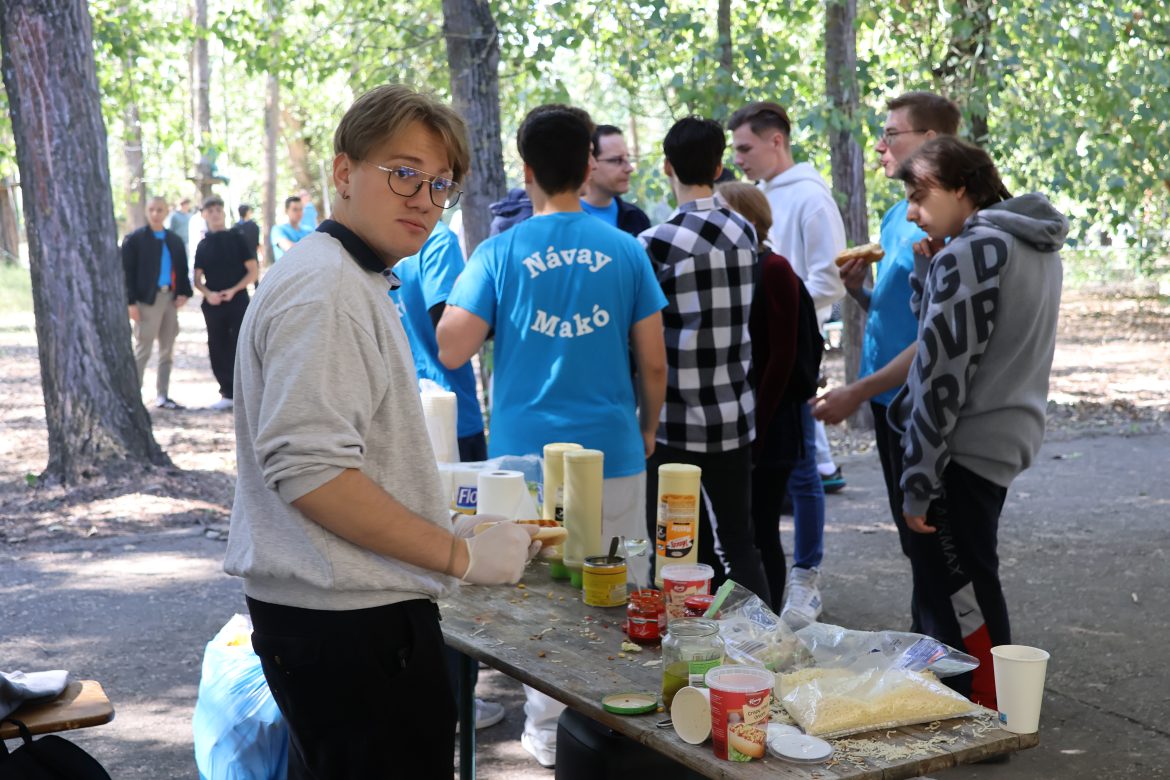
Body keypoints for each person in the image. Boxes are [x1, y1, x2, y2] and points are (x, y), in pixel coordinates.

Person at [223, 84, 541, 780]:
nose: (424, 200)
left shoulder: (352, 277)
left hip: (343, 621)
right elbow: (313, 474)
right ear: (342, 172)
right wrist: (459, 557)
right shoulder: (326, 289)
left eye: (439, 185)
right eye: (403, 173)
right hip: (350, 628)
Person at [437, 104, 667, 768]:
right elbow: (652, 359)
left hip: (524, 456)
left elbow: (453, 348)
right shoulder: (626, 249)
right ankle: (621, 718)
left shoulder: (499, 252)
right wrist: (648, 427)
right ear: (588, 164)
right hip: (614, 449)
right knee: (619, 579)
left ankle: (547, 727)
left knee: (539, 590)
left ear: (528, 170)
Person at [890, 136, 1066, 709]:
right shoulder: (1032, 244)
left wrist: (917, 480)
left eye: (920, 195)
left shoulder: (972, 251)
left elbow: (943, 375)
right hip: (1007, 434)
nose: (912, 211)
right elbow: (964, 339)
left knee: (963, 591)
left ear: (962, 188)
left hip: (960, 449)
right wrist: (927, 274)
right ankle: (978, 705)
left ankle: (990, 713)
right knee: (967, 579)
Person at [813, 93, 960, 629]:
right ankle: (929, 639)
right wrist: (859, 292)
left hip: (920, 397)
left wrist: (853, 391)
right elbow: (905, 310)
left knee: (933, 536)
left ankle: (947, 654)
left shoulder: (946, 220)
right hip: (885, 398)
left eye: (891, 133)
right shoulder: (901, 212)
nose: (879, 145)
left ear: (929, 140)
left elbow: (938, 335)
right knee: (910, 533)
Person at [637, 116, 769, 603]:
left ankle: (689, 647)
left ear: (667, 166)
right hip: (734, 414)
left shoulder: (655, 243)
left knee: (678, 547)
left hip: (674, 422)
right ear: (718, 166)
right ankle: (761, 645)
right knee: (740, 540)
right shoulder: (744, 232)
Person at [728, 101, 846, 626]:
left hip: (792, 362)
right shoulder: (762, 197)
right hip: (765, 365)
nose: (741, 158)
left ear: (777, 140)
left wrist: (787, 309)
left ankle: (806, 575)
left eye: (746, 148)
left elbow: (829, 278)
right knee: (783, 480)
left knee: (802, 472)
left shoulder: (812, 198)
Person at [715, 180, 808, 612]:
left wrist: (758, 425)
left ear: (747, 217)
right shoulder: (735, 266)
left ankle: (769, 622)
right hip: (745, 422)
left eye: (724, 211)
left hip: (769, 424)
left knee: (763, 529)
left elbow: (783, 355)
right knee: (742, 529)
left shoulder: (774, 268)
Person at [122, 195, 192, 410]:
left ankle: (163, 395)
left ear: (166, 211)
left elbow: (181, 268)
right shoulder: (135, 240)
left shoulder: (174, 240)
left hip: (169, 299)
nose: (155, 214)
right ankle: (134, 396)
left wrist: (183, 293)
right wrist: (130, 302)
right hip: (146, 301)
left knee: (167, 349)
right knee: (143, 348)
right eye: (152, 209)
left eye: (160, 209)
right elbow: (127, 273)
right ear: (146, 211)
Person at [192, 196, 258, 411]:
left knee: (241, 344)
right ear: (204, 214)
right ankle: (226, 392)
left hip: (237, 300)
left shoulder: (238, 238)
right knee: (217, 345)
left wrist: (233, 290)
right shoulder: (203, 244)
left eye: (218, 209)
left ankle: (245, 391)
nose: (215, 213)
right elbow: (197, 278)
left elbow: (252, 271)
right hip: (213, 303)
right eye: (210, 210)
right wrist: (208, 293)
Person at [581, 124, 650, 235]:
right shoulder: (567, 219)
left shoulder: (636, 217)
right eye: (617, 160)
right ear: (590, 162)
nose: (629, 168)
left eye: (628, 158)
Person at [269, 195, 312, 262]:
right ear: (286, 211)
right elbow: (290, 249)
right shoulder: (278, 229)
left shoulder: (308, 230)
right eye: (295, 209)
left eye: (301, 209)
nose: (299, 213)